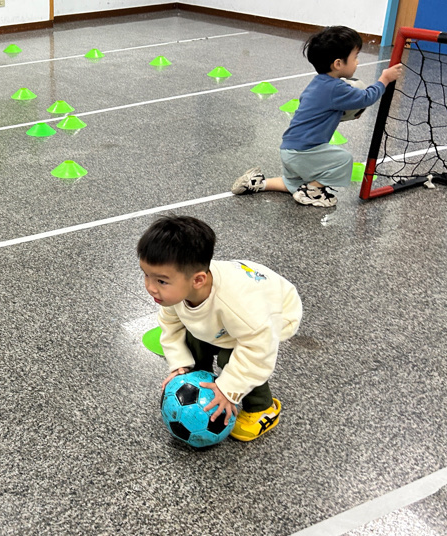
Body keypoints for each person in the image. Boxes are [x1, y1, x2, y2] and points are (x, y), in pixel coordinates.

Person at [138, 216, 302, 442]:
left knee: (232, 357)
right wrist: (180, 364)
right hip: (234, 318)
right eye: (146, 275)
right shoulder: (178, 289)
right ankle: (200, 377)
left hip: (277, 314)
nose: (150, 287)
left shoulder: (238, 305)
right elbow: (171, 325)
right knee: (191, 338)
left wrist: (228, 389)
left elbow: (259, 349)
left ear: (198, 280)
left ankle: (263, 408)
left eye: (161, 281)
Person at [231, 25, 403, 208]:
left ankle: (258, 183)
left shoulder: (317, 83)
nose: (357, 62)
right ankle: (312, 191)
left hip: (289, 148)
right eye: (355, 57)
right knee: (343, 159)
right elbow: (366, 97)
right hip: (305, 151)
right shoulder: (336, 88)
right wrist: (385, 79)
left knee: (293, 183)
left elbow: (319, 112)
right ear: (338, 64)